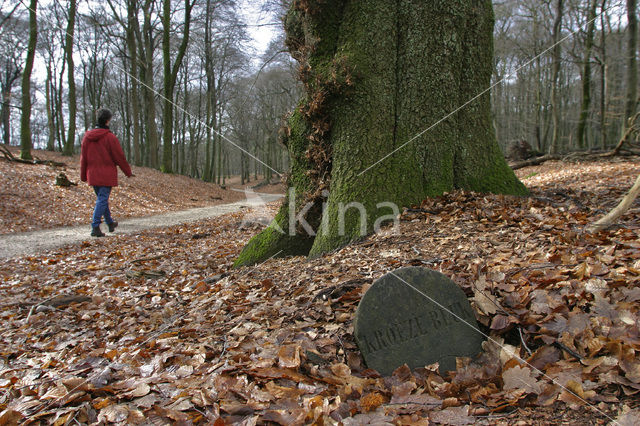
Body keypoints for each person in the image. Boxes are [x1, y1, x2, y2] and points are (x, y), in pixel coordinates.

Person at [80, 108, 133, 237]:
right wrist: (128, 172)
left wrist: (83, 175)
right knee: (102, 199)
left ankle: (109, 223)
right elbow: (119, 157)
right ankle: (95, 226)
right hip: (106, 174)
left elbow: (83, 158)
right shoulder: (110, 138)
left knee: (102, 199)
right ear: (108, 121)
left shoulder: (87, 137)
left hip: (93, 174)